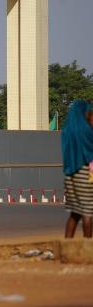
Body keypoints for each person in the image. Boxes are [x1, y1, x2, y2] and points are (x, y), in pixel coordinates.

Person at [62, 100, 93, 238]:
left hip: (70, 174)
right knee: (88, 212)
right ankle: (88, 247)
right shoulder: (86, 131)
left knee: (75, 213)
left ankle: (67, 244)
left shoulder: (68, 130)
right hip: (85, 173)